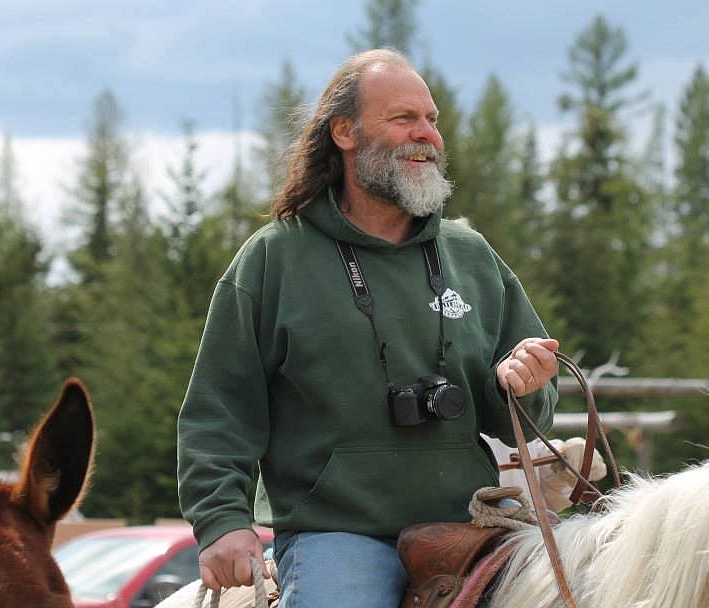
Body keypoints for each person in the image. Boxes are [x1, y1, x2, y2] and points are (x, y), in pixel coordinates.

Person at [176, 48, 560, 608]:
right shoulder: (275, 258)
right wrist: (222, 521)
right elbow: (220, 410)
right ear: (344, 133)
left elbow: (528, 416)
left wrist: (523, 385)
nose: (426, 134)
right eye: (403, 118)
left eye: (431, 119)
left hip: (470, 526)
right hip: (338, 535)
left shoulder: (471, 256)